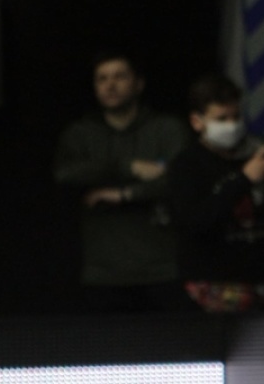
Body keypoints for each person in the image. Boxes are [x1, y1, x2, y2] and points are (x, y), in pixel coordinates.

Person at [54, 52, 193, 313]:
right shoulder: (81, 133)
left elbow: (180, 180)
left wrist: (125, 195)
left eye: (120, 76)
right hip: (103, 270)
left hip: (162, 267)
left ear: (139, 84)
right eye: (102, 79)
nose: (110, 85)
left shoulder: (166, 128)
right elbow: (66, 174)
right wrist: (128, 167)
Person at [170, 74, 264, 312]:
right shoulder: (187, 165)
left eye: (236, 117)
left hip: (262, 286)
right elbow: (193, 222)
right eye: (221, 119)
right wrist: (244, 179)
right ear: (197, 122)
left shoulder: (255, 155)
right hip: (210, 289)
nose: (231, 125)